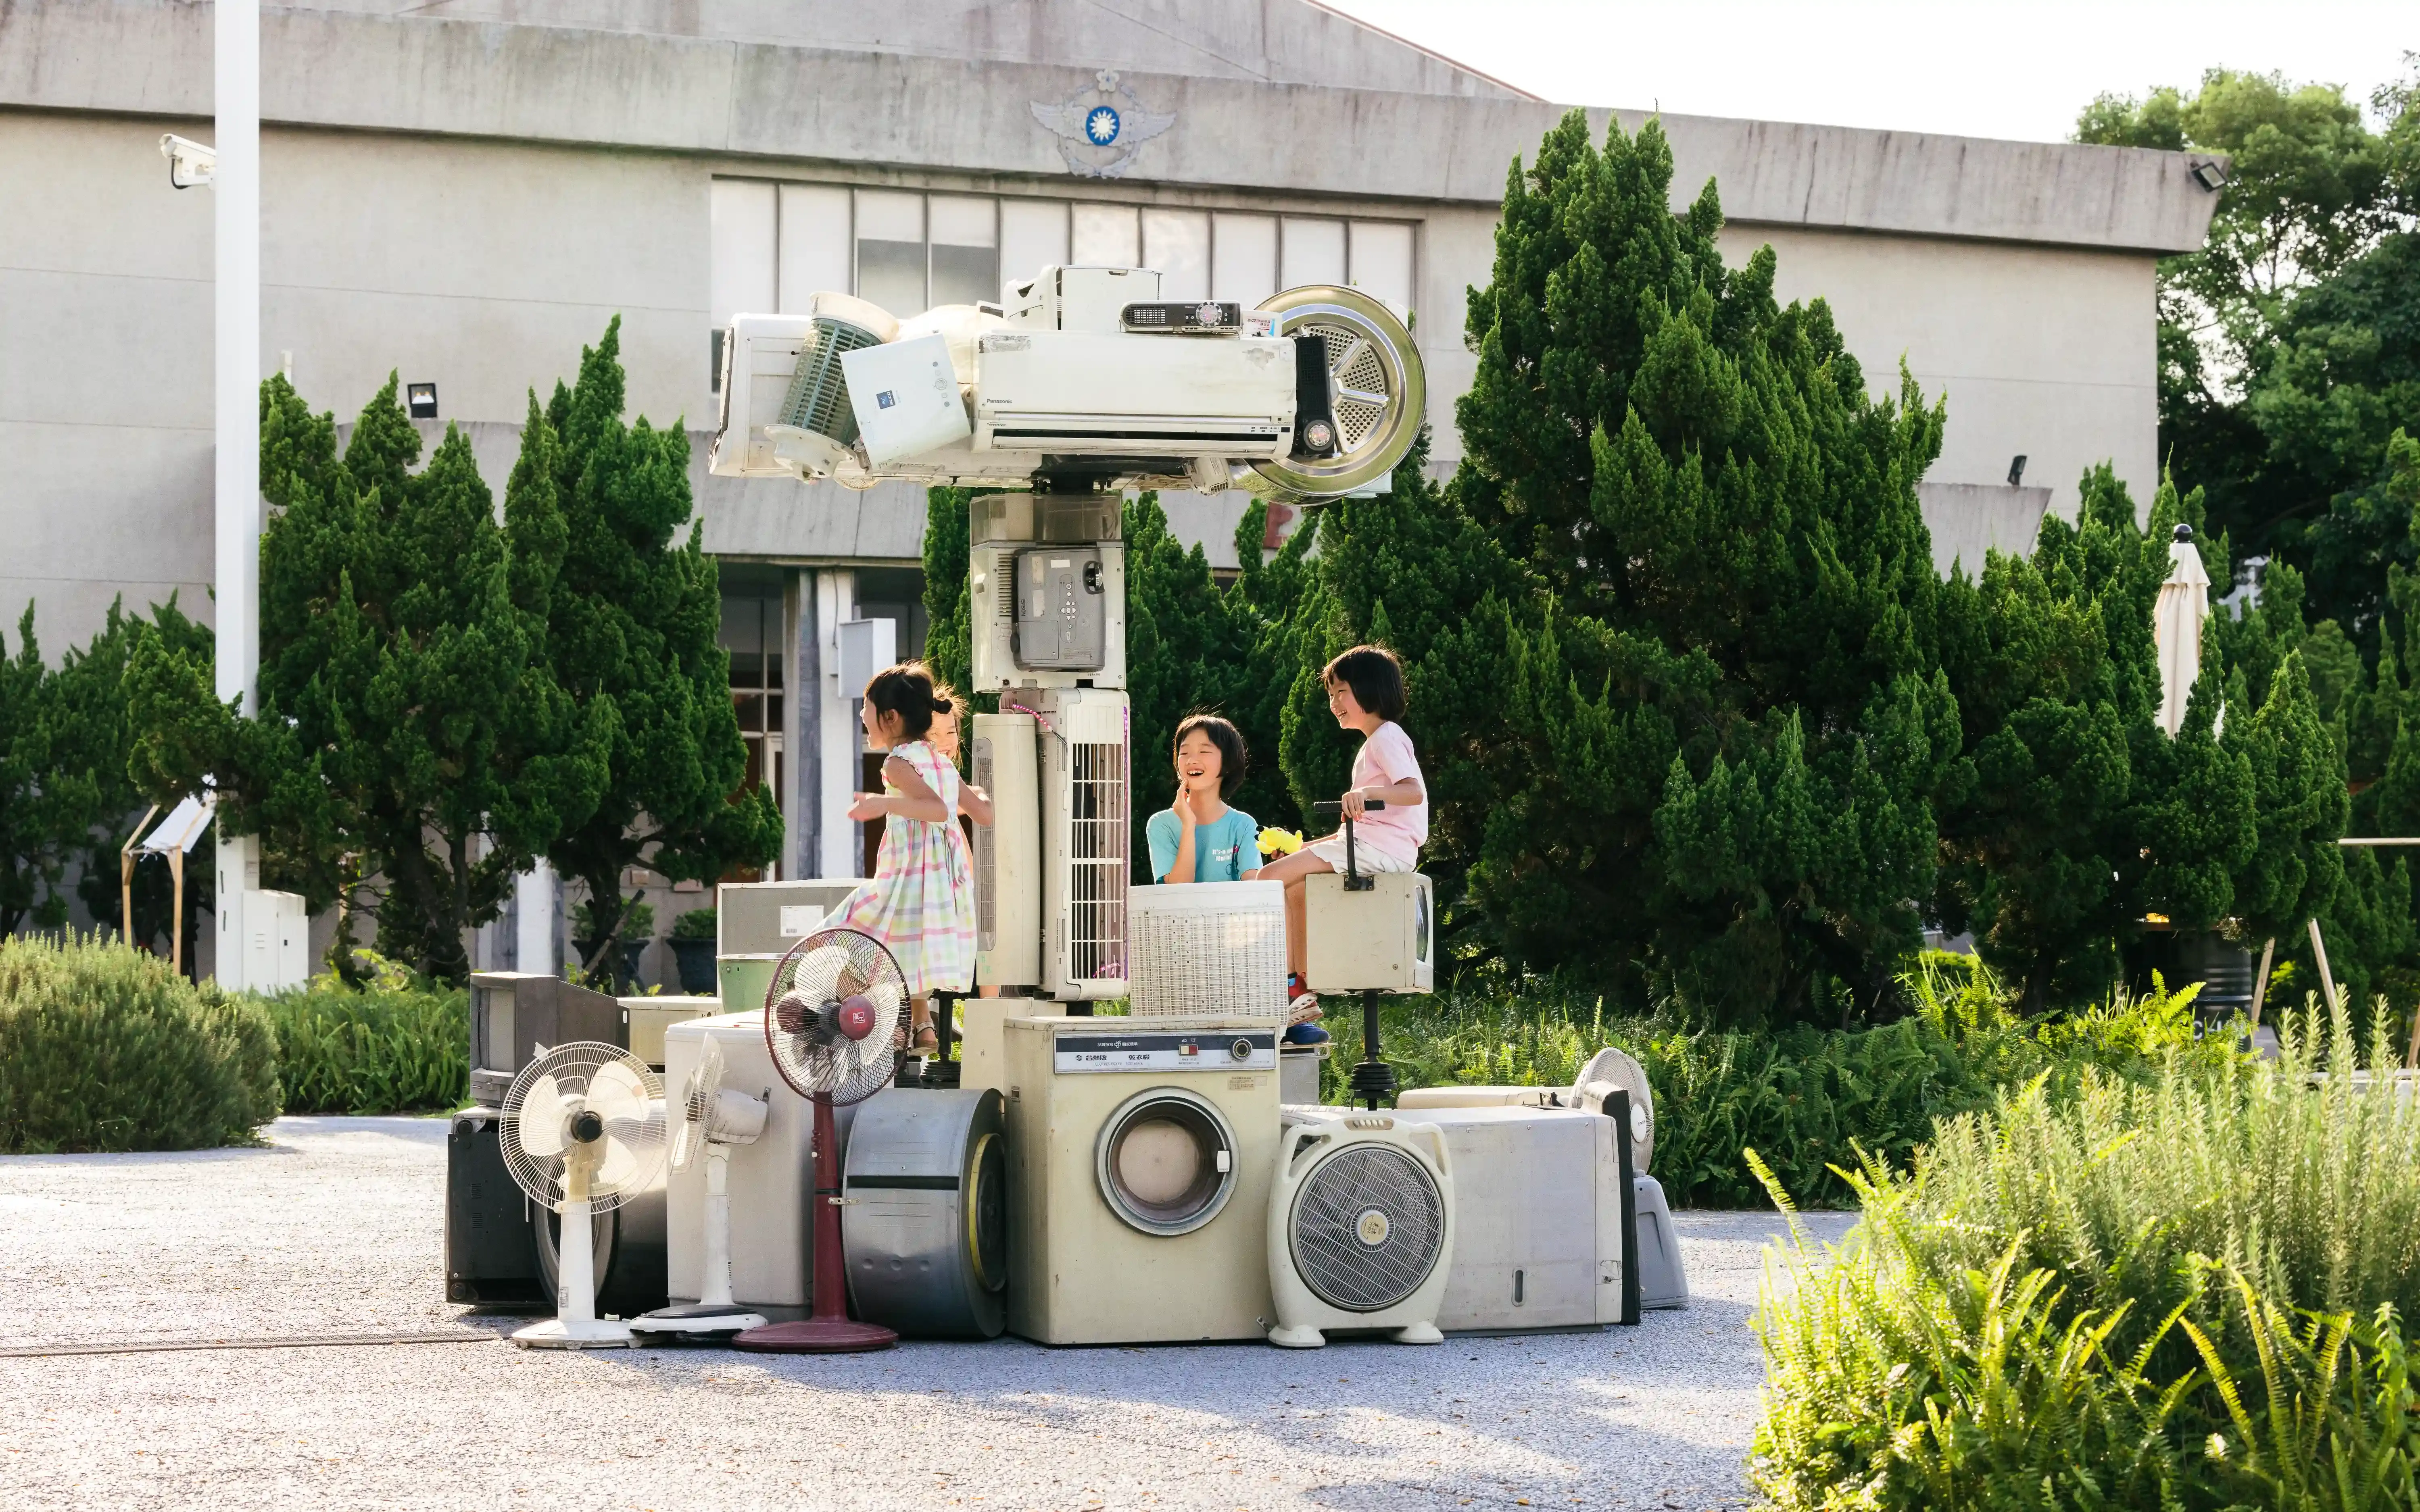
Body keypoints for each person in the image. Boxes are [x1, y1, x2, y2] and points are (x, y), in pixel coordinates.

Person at [1256, 645, 1427, 1027]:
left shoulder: (1385, 737)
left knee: (1267, 880)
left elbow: (1412, 791)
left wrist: (1367, 796)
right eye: (1331, 694)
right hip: (1371, 843)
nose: (1334, 702)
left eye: (1341, 692)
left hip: (1379, 847)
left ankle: (1286, 988)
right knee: (1293, 887)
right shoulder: (1376, 742)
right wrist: (1301, 849)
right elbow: (1353, 829)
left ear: (1369, 689)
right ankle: (1301, 988)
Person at [835, 662, 974, 1052]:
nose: (863, 717)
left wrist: (883, 802)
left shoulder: (898, 762)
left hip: (908, 876)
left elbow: (936, 809)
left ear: (891, 717)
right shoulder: (939, 760)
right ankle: (917, 1027)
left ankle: (879, 1025)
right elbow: (972, 811)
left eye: (867, 709)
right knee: (909, 952)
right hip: (937, 881)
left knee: (846, 934)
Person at [1145, 713, 1261, 885]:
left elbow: (1253, 889)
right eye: (1184, 752)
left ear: (1228, 762)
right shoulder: (1161, 824)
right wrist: (1188, 825)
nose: (1192, 760)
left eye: (1204, 751)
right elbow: (1177, 893)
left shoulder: (1244, 826)